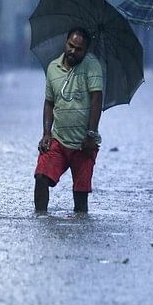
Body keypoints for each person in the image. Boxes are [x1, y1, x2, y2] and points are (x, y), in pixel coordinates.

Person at [34, 27, 103, 213]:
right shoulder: (52, 68)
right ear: (65, 43)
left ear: (86, 50)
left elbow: (97, 99)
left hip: (84, 144)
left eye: (79, 49)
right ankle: (39, 221)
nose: (73, 51)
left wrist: (91, 134)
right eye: (70, 46)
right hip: (58, 140)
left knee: (80, 200)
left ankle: (80, 233)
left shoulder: (92, 65)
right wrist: (46, 134)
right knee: (41, 177)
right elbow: (49, 103)